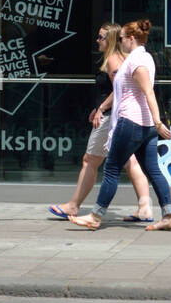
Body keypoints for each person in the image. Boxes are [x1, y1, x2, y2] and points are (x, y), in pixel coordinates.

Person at [69, 19, 171, 231]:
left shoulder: (138, 62)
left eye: (122, 38)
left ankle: (95, 216)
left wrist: (157, 121)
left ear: (131, 39)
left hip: (133, 122)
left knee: (111, 169)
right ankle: (168, 215)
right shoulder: (140, 58)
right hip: (143, 125)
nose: (120, 42)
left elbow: (149, 92)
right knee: (152, 170)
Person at [48, 23, 153, 222]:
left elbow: (120, 89)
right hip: (116, 116)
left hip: (110, 119)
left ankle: (73, 206)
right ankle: (145, 208)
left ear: (111, 39)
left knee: (90, 160)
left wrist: (102, 108)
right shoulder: (119, 59)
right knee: (130, 161)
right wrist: (98, 107)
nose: (97, 40)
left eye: (101, 37)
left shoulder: (113, 60)